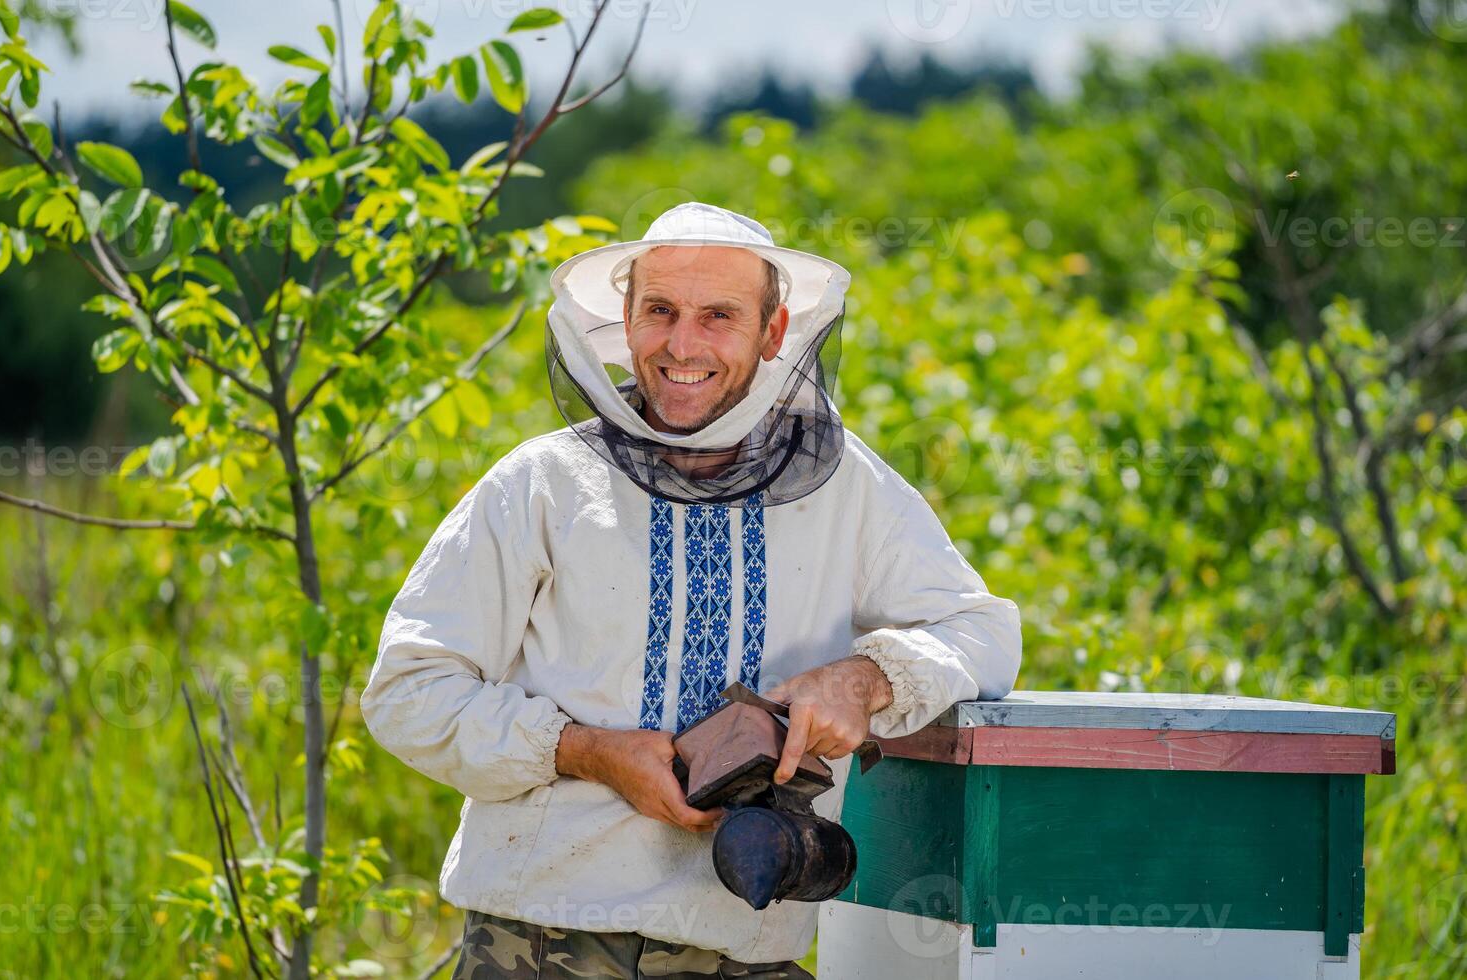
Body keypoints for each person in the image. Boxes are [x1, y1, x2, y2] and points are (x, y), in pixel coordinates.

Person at [360, 202, 1023, 978]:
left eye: (719, 316)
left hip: (747, 946)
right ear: (626, 320)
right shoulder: (540, 484)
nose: (683, 344)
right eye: (661, 311)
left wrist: (864, 679)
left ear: (774, 333)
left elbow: (981, 632)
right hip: (543, 944)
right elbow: (409, 691)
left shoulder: (850, 489)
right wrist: (587, 752)